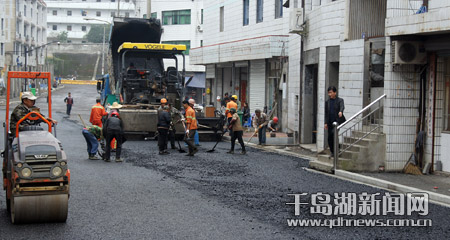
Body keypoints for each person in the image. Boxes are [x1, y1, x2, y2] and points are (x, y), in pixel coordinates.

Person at [325, 86, 345, 156]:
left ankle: (337, 150)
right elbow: (326, 113)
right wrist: (326, 123)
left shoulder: (340, 100)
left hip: (337, 121)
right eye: (328, 93)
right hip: (330, 122)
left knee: (334, 134)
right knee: (329, 138)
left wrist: (341, 111)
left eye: (331, 92)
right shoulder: (327, 102)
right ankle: (332, 151)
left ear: (335, 93)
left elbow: (342, 106)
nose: (329, 94)